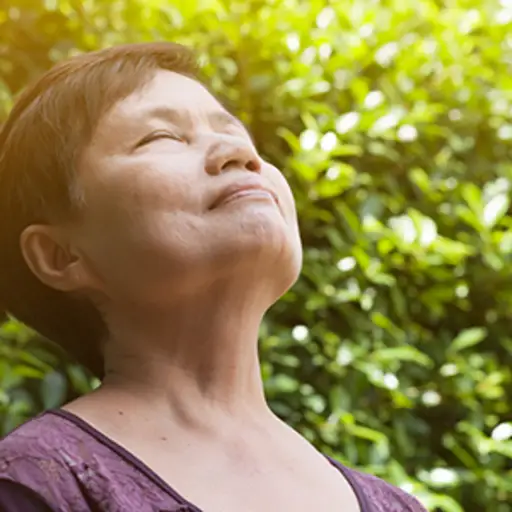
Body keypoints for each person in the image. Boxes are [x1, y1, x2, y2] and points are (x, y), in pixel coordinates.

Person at [0, 42, 426, 512]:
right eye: (161, 137)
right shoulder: (36, 485)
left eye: (236, 134)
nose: (239, 152)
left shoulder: (397, 506)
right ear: (61, 255)